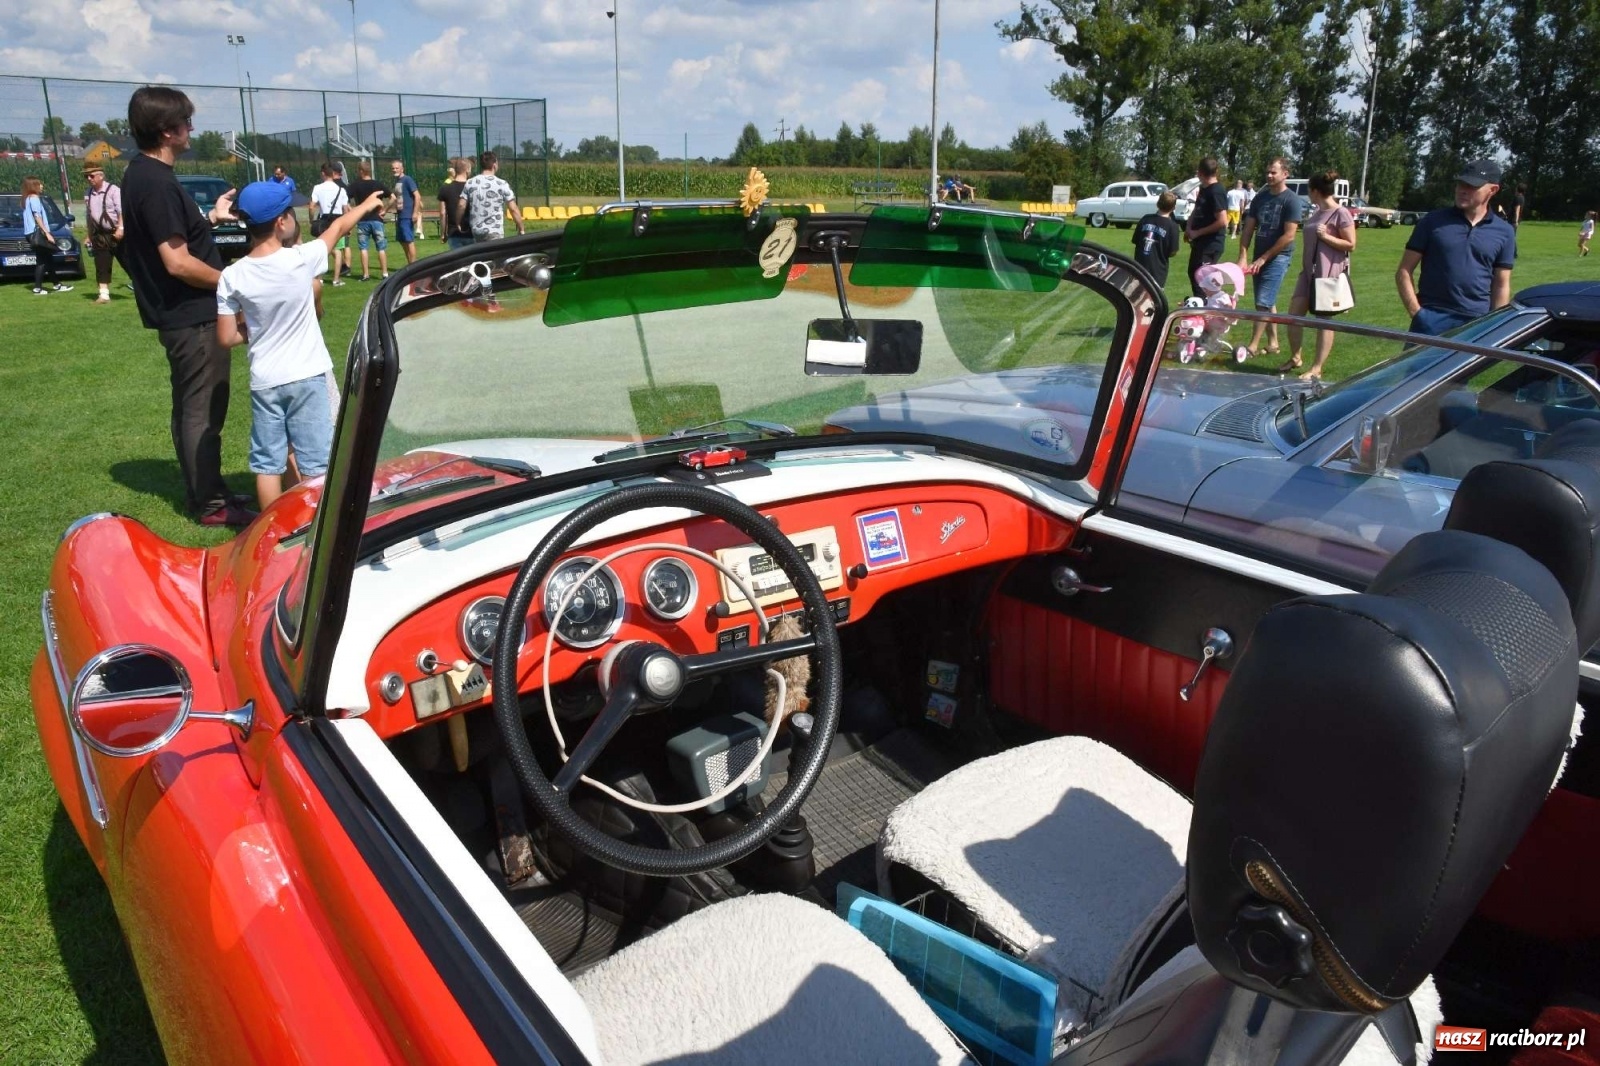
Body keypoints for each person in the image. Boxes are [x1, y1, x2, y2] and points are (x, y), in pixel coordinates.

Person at [120, 85, 252, 527]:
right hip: (192, 316)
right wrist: (234, 282)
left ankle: (209, 488)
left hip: (185, 314)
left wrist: (209, 218)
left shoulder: (145, 175)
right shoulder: (154, 182)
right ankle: (211, 503)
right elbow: (177, 262)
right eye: (186, 121)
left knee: (194, 406)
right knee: (202, 408)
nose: (191, 128)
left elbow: (175, 234)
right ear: (166, 130)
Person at [216, 181, 384, 510]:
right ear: (282, 221)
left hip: (265, 381)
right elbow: (337, 227)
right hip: (308, 377)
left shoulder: (231, 276)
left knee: (267, 465)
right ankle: (315, 531)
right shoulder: (301, 259)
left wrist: (257, 330)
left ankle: (272, 534)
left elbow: (226, 338)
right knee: (316, 465)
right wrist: (365, 206)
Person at [1395, 158, 1516, 336]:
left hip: (1477, 321)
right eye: (1460, 184)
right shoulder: (1432, 221)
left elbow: (1501, 283)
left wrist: (1494, 325)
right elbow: (1404, 271)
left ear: (1493, 189)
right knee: (1422, 366)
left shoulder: (1504, 231)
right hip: (1431, 317)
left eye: (1472, 186)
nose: (1462, 190)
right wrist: (1417, 313)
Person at [1280, 170, 1357, 381]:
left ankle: (1317, 367)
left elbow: (1351, 244)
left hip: (1327, 274)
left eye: (1309, 191)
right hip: (1308, 273)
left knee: (1324, 321)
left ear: (1315, 191)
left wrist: (1327, 237)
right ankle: (1296, 357)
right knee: (1294, 316)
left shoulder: (1341, 213)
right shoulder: (1316, 212)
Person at [1237, 157, 1300, 358]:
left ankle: (1253, 347)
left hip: (1278, 256)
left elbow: (1289, 235)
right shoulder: (1260, 198)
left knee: (1262, 302)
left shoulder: (1291, 200)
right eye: (1268, 172)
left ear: (1285, 174)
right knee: (1266, 300)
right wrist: (1243, 256)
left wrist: (1264, 258)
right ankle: (1273, 343)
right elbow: (1248, 229)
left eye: (1274, 172)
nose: (1269, 176)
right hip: (1259, 255)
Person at [1183, 156, 1229, 298]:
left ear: (1200, 173)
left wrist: (1198, 232)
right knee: (1193, 272)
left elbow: (1222, 221)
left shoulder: (1216, 191)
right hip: (1199, 242)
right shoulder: (1204, 188)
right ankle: (1200, 307)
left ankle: (1206, 310)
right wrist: (1188, 228)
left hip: (1210, 244)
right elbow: (1197, 210)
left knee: (1203, 280)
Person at [19, 176, 72, 296]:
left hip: (30, 233)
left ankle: (57, 284)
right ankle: (37, 288)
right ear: (33, 186)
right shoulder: (34, 198)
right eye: (39, 184)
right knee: (42, 261)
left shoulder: (26, 199)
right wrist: (47, 233)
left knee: (48, 259)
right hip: (38, 233)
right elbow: (37, 216)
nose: (42, 186)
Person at [462, 150, 524, 243]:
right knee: (495, 256)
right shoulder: (501, 184)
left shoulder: (470, 183)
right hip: (494, 231)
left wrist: (458, 222)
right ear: (494, 165)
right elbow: (513, 208)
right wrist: (521, 227)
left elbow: (461, 205)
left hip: (476, 231)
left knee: (481, 256)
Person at [83, 163, 122, 303]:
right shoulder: (88, 194)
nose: (89, 178)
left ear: (101, 175)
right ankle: (104, 294)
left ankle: (145, 289)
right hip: (99, 234)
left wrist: (121, 228)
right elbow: (89, 215)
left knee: (131, 262)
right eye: (86, 176)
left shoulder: (113, 190)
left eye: (92, 175)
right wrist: (89, 234)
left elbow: (121, 211)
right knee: (101, 264)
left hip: (117, 232)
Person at [346, 161, 390, 280]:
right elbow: (393, 198)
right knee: (381, 247)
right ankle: (385, 273)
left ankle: (366, 274)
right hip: (377, 219)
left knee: (364, 247)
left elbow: (344, 199)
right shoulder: (377, 184)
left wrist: (352, 211)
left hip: (362, 220)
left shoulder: (355, 185)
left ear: (361, 171)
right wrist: (385, 210)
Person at [308, 163, 349, 286]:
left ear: (323, 174)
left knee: (322, 248)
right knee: (337, 251)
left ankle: (319, 278)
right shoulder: (341, 190)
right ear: (334, 174)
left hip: (323, 219)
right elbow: (345, 209)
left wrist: (311, 220)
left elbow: (311, 206)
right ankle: (336, 279)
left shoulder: (318, 188)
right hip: (337, 220)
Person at [1131, 191, 1181, 288]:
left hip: (1139, 268)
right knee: (1154, 300)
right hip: (1158, 272)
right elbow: (1173, 252)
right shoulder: (1173, 226)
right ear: (1174, 207)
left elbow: (1135, 240)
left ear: (1158, 204)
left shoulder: (1145, 219)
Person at [390, 158, 421, 264]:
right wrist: (385, 210)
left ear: (402, 169)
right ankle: (409, 263)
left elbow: (417, 196)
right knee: (402, 240)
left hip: (407, 215)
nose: (394, 170)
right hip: (400, 215)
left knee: (408, 240)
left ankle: (413, 266)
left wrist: (415, 213)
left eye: (397, 168)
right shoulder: (397, 181)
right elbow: (394, 198)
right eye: (393, 168)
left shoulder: (407, 180)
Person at [438, 157, 472, 249]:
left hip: (454, 232)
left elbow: (442, 213)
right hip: (472, 231)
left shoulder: (445, 188)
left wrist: (443, 233)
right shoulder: (473, 188)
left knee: (459, 262)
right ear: (467, 170)